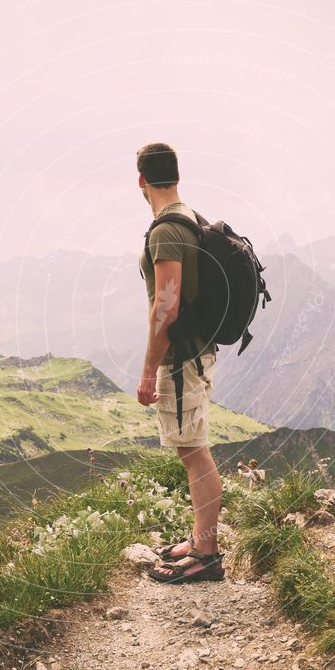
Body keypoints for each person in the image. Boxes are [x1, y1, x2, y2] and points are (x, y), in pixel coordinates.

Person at [135, 143, 224, 583]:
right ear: (175, 176)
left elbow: (165, 306)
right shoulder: (188, 218)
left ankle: (205, 555)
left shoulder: (166, 231)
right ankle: (199, 538)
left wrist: (149, 369)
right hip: (194, 350)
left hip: (179, 357)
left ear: (140, 181)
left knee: (193, 453)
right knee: (192, 448)